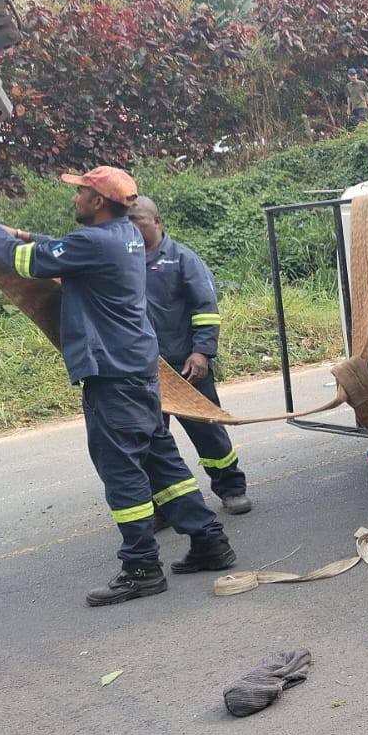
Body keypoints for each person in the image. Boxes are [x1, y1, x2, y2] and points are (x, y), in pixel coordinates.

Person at [0, 167, 236, 606]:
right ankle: (210, 540)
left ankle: (141, 568)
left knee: (121, 470)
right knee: (160, 460)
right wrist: (14, 230)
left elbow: (29, 261)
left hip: (112, 374)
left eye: (80, 191)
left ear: (98, 202)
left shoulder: (95, 243)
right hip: (136, 370)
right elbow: (54, 246)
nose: (75, 198)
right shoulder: (125, 236)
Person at [127, 196, 252, 515]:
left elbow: (206, 309)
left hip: (186, 368)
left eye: (138, 219)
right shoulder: (123, 262)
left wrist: (201, 352)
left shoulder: (182, 259)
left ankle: (231, 488)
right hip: (145, 372)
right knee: (152, 440)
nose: (132, 226)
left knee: (207, 430)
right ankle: (165, 505)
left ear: (157, 221)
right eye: (126, 221)